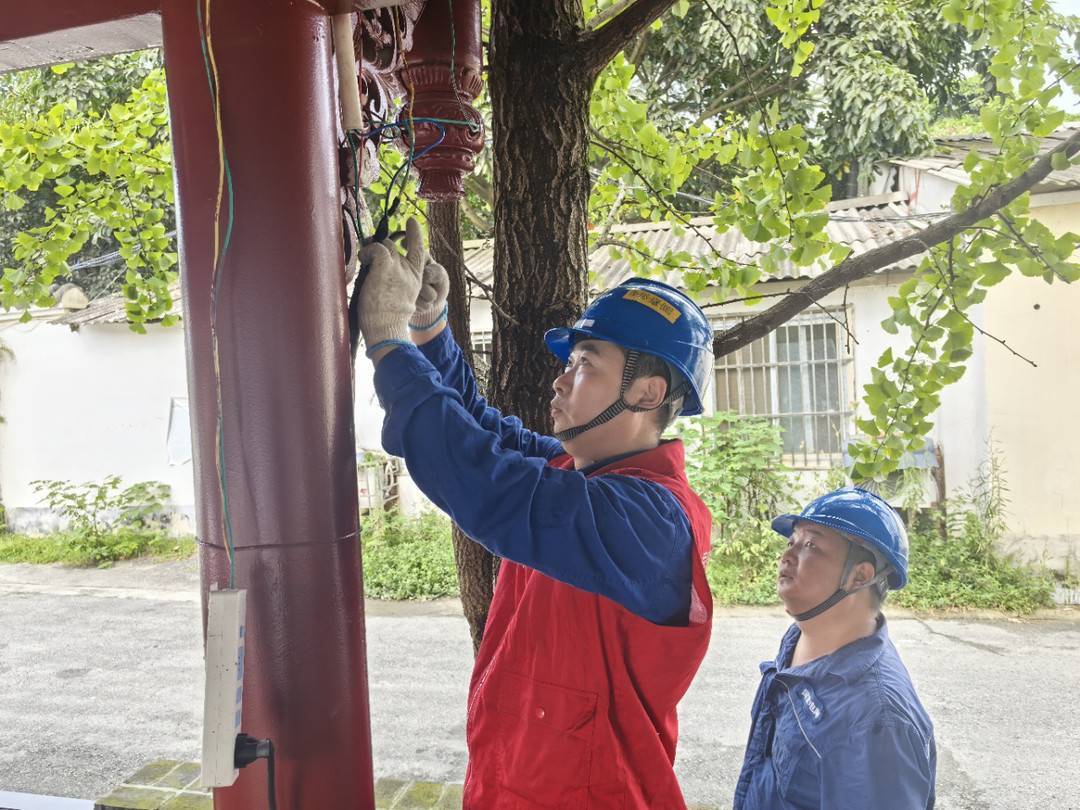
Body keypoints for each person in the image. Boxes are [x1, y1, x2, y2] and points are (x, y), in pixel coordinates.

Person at [356, 219, 715, 808]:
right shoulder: (573, 472)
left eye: (585, 366)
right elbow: (478, 426)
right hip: (515, 781)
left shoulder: (652, 520)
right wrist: (427, 326)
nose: (560, 379)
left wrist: (389, 345)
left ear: (647, 394)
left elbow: (485, 484)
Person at [733, 487, 937, 810]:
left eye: (811, 545)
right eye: (792, 542)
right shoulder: (799, 637)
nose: (786, 556)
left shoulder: (878, 723)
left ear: (859, 575)